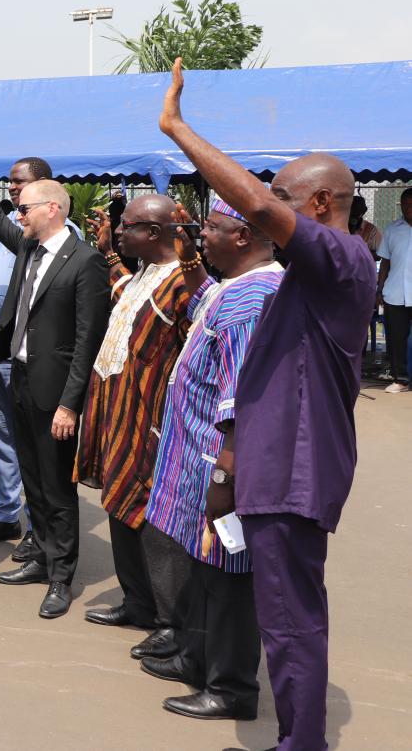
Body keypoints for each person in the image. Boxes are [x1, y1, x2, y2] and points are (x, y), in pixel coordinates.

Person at [159, 58, 378, 750]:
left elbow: (253, 205)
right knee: (288, 617)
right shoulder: (314, 272)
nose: (267, 203)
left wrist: (175, 128)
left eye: (284, 195)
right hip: (278, 465)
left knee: (290, 623)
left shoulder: (342, 260)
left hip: (293, 470)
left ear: (317, 206)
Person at [0, 120, 110, 619]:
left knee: (57, 488)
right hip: (19, 378)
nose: (15, 213)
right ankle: (41, 556)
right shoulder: (26, 245)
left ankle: (62, 578)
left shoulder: (84, 261)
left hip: (55, 394)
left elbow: (87, 340)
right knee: (33, 479)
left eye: (23, 207)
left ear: (52, 209)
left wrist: (70, 403)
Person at [142, 199, 284, 722]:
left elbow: (243, 396)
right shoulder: (238, 286)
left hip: (220, 465)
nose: (202, 234)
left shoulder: (252, 298)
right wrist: (192, 263)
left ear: (244, 236)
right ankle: (198, 660)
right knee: (204, 573)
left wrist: (224, 478)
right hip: (200, 459)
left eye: (211, 228)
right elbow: (208, 307)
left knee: (227, 578)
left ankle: (231, 688)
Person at [76, 196, 191, 657]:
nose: (121, 233)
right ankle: (137, 602)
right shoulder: (142, 275)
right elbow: (124, 290)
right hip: (116, 411)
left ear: (158, 233)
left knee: (151, 518)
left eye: (129, 227)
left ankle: (169, 621)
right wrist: (107, 251)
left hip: (151, 419)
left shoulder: (182, 284)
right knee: (118, 502)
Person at [0, 148, 81, 560]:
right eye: (10, 184)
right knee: (3, 438)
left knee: (36, 447)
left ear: (47, 196)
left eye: (19, 183)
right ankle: (7, 514)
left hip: (31, 360)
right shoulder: (14, 226)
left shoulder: (64, 241)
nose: (12, 191)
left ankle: (38, 529)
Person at [376, 188, 412, 393]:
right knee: (396, 339)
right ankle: (401, 379)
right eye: (405, 204)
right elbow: (385, 262)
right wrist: (379, 290)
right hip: (395, 293)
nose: (408, 208)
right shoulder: (392, 229)